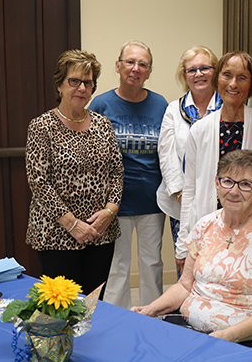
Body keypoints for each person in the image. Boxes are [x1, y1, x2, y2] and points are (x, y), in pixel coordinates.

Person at [132, 150, 252, 353]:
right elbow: (184, 286)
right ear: (217, 184)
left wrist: (227, 336)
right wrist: (149, 310)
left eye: (245, 184)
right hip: (191, 328)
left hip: (245, 338)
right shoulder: (205, 225)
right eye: (228, 181)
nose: (234, 191)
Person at [25, 49, 123, 297]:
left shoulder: (103, 124)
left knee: (93, 303)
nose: (81, 88)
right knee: (61, 306)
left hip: (100, 233)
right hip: (57, 235)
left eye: (88, 83)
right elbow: (39, 182)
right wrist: (72, 225)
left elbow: (117, 173)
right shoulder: (41, 126)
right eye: (74, 81)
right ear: (59, 85)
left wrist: (110, 212)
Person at [89, 40, 169, 309]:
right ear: (118, 66)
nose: (135, 69)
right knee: (117, 266)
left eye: (142, 64)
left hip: (151, 201)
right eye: (130, 62)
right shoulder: (101, 104)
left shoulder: (160, 105)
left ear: (148, 71)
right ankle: (116, 320)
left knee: (152, 264)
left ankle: (153, 317)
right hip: (113, 204)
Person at [176, 51, 252, 272]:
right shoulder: (200, 128)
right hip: (209, 226)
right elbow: (190, 189)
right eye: (227, 75)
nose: (233, 84)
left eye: (242, 77)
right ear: (217, 80)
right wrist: (182, 243)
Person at [156, 46, 222, 275]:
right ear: (184, 76)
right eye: (191, 70)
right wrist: (183, 195)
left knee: (219, 262)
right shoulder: (174, 110)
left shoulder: (230, 109)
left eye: (205, 68)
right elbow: (166, 154)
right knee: (186, 263)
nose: (198, 74)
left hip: (222, 201)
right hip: (182, 200)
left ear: (215, 71)